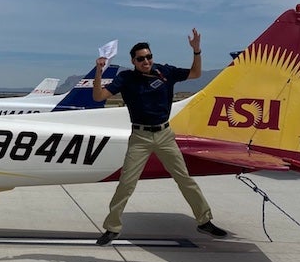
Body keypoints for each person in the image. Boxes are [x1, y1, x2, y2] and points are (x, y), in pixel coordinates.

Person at [91, 30, 227, 245]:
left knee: (185, 179)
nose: (146, 61)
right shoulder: (126, 78)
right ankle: (112, 227)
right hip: (140, 137)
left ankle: (204, 221)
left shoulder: (165, 72)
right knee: (126, 183)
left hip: (164, 134)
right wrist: (99, 71)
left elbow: (195, 74)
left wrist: (197, 51)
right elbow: (98, 96)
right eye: (141, 59)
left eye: (148, 57)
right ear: (133, 61)